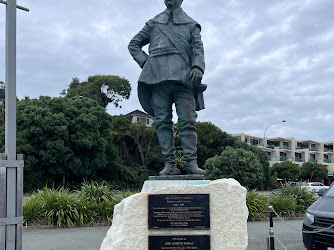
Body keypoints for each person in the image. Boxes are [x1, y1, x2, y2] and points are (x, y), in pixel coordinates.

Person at [128, 0, 206, 175]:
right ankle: (170, 165)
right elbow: (134, 44)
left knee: (188, 121)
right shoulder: (154, 23)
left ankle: (191, 164)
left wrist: (197, 67)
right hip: (156, 80)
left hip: (183, 79)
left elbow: (198, 49)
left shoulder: (190, 24)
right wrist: (147, 64)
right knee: (162, 122)